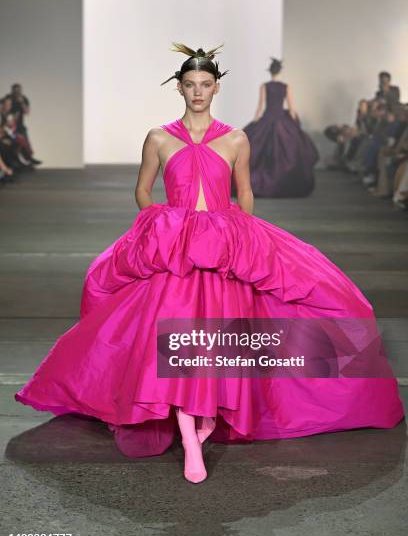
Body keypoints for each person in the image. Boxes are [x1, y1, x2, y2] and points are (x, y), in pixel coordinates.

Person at [15, 43, 405, 485]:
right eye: (189, 85)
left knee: (219, 338)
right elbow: (143, 190)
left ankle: (202, 422)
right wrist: (159, 223)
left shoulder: (236, 138)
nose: (197, 92)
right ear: (178, 88)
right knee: (178, 341)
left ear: (216, 88)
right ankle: (191, 440)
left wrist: (243, 234)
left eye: (205, 85)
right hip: (177, 251)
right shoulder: (159, 138)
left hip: (223, 248)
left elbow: (245, 192)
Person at [231, 57, 319, 198]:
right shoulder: (286, 87)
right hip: (281, 121)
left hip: (266, 119)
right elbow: (291, 109)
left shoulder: (264, 86)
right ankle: (283, 183)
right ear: (280, 71)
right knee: (286, 151)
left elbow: (260, 108)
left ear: (270, 72)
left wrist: (254, 123)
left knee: (259, 151)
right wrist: (296, 125)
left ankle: (256, 182)